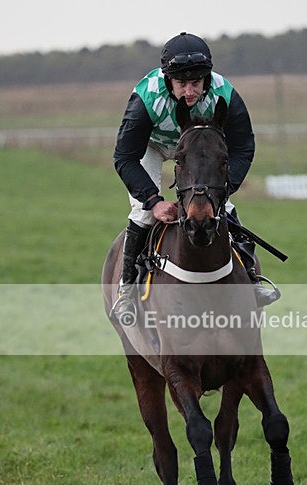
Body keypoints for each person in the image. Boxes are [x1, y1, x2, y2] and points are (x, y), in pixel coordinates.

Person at [112, 31, 278, 322]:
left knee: (222, 209)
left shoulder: (224, 94)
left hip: (197, 149)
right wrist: (153, 201)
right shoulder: (146, 98)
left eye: (196, 83)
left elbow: (242, 148)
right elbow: (124, 157)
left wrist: (223, 190)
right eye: (181, 83)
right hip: (151, 147)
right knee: (143, 214)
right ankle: (127, 293)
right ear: (168, 79)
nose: (189, 91)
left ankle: (251, 282)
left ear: (207, 78)